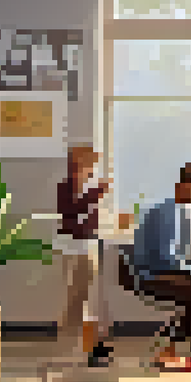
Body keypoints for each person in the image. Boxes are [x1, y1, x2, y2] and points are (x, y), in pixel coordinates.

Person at [100, 163, 191, 372]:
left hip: (156, 270)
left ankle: (172, 351)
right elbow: (165, 258)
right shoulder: (168, 212)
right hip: (147, 274)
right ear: (182, 185)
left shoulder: (180, 211)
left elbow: (174, 259)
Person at [56, 146, 110, 359]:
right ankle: (72, 347)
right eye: (90, 164)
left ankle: (89, 346)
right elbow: (72, 213)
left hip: (88, 245)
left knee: (90, 301)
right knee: (77, 300)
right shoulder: (67, 188)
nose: (92, 169)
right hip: (76, 248)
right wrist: (96, 194)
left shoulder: (86, 187)